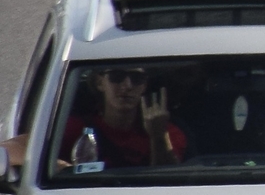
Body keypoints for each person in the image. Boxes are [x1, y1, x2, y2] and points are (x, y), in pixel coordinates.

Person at [54, 65, 188, 172]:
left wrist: (158, 136)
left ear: (144, 85)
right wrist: (64, 169)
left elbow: (167, 180)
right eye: (116, 77)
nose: (127, 86)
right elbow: (40, 162)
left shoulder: (168, 131)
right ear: (100, 82)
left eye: (137, 79)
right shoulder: (74, 129)